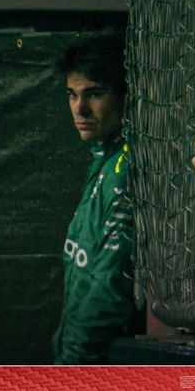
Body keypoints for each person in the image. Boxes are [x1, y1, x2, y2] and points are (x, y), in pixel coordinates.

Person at [50, 33, 136, 364]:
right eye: (72, 95)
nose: (80, 108)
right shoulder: (103, 158)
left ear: (124, 94)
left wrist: (72, 362)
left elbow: (109, 288)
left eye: (94, 94)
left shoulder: (125, 170)